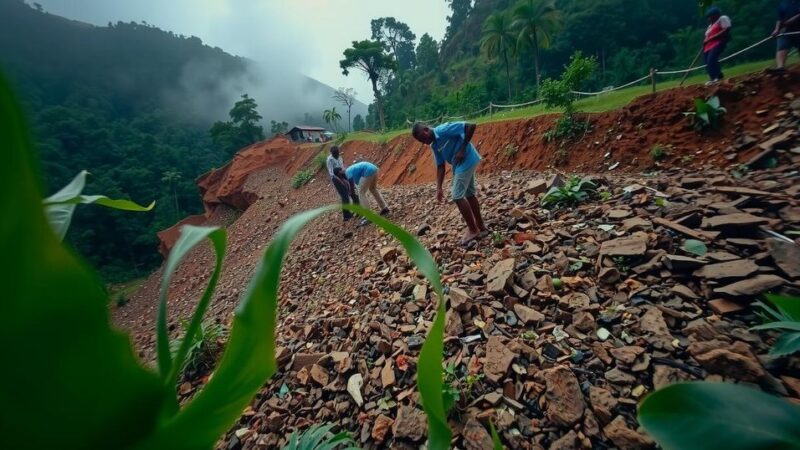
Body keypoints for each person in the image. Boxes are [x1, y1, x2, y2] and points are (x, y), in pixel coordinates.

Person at [412, 121, 488, 245]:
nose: (424, 142)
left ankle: (473, 230)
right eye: (421, 141)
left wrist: (462, 149)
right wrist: (439, 188)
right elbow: (441, 166)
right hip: (461, 165)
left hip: (467, 159)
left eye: (423, 138)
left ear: (426, 129)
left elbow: (471, 126)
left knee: (457, 196)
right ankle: (481, 227)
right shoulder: (434, 145)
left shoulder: (443, 129)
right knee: (469, 194)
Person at [703, 6, 732, 86]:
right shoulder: (710, 26)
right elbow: (707, 36)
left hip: (718, 42)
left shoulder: (722, 18)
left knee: (711, 59)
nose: (709, 19)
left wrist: (711, 38)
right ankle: (716, 77)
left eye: (711, 16)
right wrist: (705, 41)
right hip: (708, 45)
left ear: (716, 15)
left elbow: (726, 29)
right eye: (708, 17)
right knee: (707, 62)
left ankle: (716, 78)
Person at [326, 146, 357, 221]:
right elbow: (331, 173)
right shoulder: (329, 160)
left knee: (352, 190)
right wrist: (342, 182)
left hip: (342, 174)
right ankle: (346, 215)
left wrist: (346, 176)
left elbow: (343, 167)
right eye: (335, 154)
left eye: (337, 153)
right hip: (336, 178)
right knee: (344, 195)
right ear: (332, 153)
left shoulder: (340, 157)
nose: (337, 155)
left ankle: (357, 207)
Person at [771, 0, 800, 72]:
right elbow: (779, 18)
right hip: (787, 30)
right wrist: (776, 29)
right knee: (782, 46)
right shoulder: (783, 3)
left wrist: (792, 20)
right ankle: (780, 67)